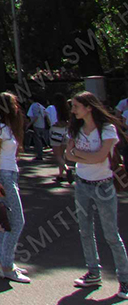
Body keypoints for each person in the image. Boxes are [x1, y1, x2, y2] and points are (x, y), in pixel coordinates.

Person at [65, 91, 128, 298]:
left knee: (111, 234)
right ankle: (93, 272)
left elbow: (100, 157)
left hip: (104, 185)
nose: (73, 110)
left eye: (76, 106)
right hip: (82, 184)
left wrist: (78, 154)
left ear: (89, 107)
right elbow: (67, 155)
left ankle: (125, 279)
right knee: (85, 230)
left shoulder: (107, 129)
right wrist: (87, 157)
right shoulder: (75, 129)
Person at [0, 92, 29, 283]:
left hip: (8, 175)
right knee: (17, 221)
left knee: (5, 222)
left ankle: (3, 263)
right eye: (14, 104)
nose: (17, 107)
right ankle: (7, 266)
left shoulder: (5, 128)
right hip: (3, 176)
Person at [48, 93, 71, 183]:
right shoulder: (67, 108)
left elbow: (50, 120)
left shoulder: (51, 108)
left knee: (57, 155)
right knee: (62, 154)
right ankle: (60, 175)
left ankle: (66, 169)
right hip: (65, 131)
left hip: (55, 131)